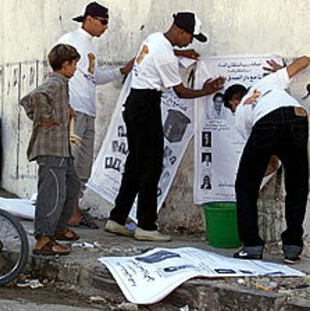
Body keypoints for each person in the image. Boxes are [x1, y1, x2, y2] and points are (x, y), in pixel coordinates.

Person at [105, 12, 225, 241]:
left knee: (135, 164)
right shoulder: (166, 57)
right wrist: (207, 91)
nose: (190, 42)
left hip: (136, 104)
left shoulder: (154, 39)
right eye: (190, 37)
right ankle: (146, 226)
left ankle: (117, 218)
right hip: (146, 107)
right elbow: (180, 91)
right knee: (151, 167)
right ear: (180, 31)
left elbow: (164, 53)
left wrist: (182, 52)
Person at [223, 56, 310, 263]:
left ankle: (252, 245)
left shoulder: (241, 113)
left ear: (234, 101)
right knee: (297, 185)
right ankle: (292, 248)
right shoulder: (269, 81)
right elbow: (305, 60)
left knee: (244, 186)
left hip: (266, 122)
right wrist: (284, 69)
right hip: (298, 116)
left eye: (231, 107)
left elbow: (266, 160)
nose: (234, 110)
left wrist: (254, 177)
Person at [55, 1, 134, 229]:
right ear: (89, 19)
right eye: (103, 22)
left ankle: (73, 210)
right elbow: (56, 72)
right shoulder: (69, 40)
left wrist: (121, 71)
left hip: (87, 111)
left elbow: (93, 76)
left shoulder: (89, 45)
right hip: (73, 110)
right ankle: (69, 212)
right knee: (70, 161)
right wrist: (64, 103)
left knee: (83, 167)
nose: (106, 27)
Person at [20, 44, 82, 256]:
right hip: (51, 148)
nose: (75, 69)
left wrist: (64, 111)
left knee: (71, 186)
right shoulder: (55, 82)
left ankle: (58, 228)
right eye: (74, 64)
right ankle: (43, 240)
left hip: (62, 148)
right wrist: (45, 118)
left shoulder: (61, 83)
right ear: (65, 64)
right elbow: (34, 98)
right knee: (52, 193)